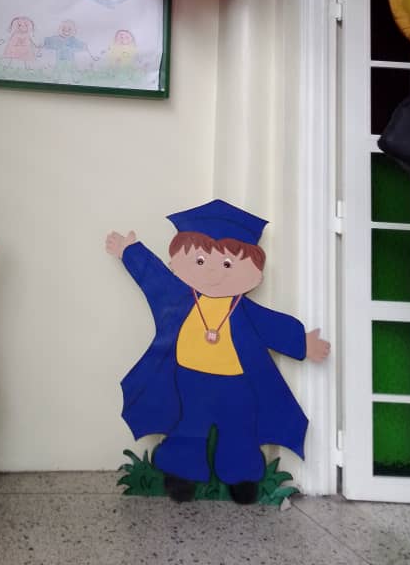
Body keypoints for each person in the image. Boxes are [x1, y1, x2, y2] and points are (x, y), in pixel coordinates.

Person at [105, 198, 329, 504]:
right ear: (177, 261)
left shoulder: (243, 309)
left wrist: (303, 343)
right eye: (199, 261)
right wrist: (130, 252)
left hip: (236, 385)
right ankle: (180, 476)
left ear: (255, 272)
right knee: (188, 426)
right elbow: (153, 277)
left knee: (239, 431)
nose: (213, 272)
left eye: (227, 264)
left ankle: (242, 479)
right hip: (188, 380)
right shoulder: (177, 297)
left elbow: (272, 326)